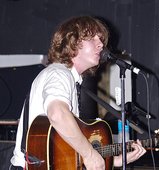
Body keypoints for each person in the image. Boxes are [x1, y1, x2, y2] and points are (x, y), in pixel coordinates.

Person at [10, 16, 146, 170]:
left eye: (101, 39)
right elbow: (57, 114)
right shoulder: (59, 73)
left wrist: (114, 161)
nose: (101, 44)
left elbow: (66, 147)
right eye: (92, 38)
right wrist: (89, 154)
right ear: (72, 42)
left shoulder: (70, 79)